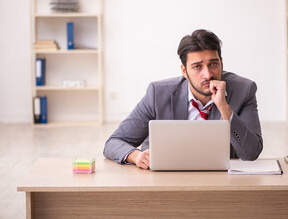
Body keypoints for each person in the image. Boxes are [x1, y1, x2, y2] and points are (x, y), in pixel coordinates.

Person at [103, 29, 263, 169]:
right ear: (184, 71)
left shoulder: (244, 90)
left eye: (213, 64)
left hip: (218, 181)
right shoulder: (158, 93)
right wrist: (136, 156)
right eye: (197, 66)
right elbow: (114, 142)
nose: (207, 74)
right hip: (163, 180)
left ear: (221, 63)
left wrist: (224, 108)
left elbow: (251, 153)